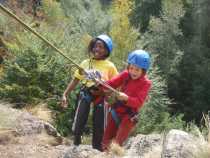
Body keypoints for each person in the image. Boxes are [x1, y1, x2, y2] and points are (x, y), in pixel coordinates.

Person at [61, 34, 118, 151]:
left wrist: (112, 95)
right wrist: (65, 94)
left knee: (99, 122)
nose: (97, 49)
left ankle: (97, 148)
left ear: (107, 51)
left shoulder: (110, 66)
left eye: (101, 47)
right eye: (96, 46)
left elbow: (116, 84)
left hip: (102, 95)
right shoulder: (85, 63)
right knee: (79, 117)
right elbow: (76, 80)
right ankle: (76, 140)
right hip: (86, 92)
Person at [100, 49, 152, 151]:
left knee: (117, 143)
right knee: (106, 140)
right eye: (131, 68)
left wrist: (126, 98)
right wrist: (101, 82)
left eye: (137, 70)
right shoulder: (125, 74)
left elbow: (139, 102)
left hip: (129, 116)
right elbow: (111, 84)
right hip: (116, 111)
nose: (133, 72)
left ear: (143, 71)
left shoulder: (146, 83)